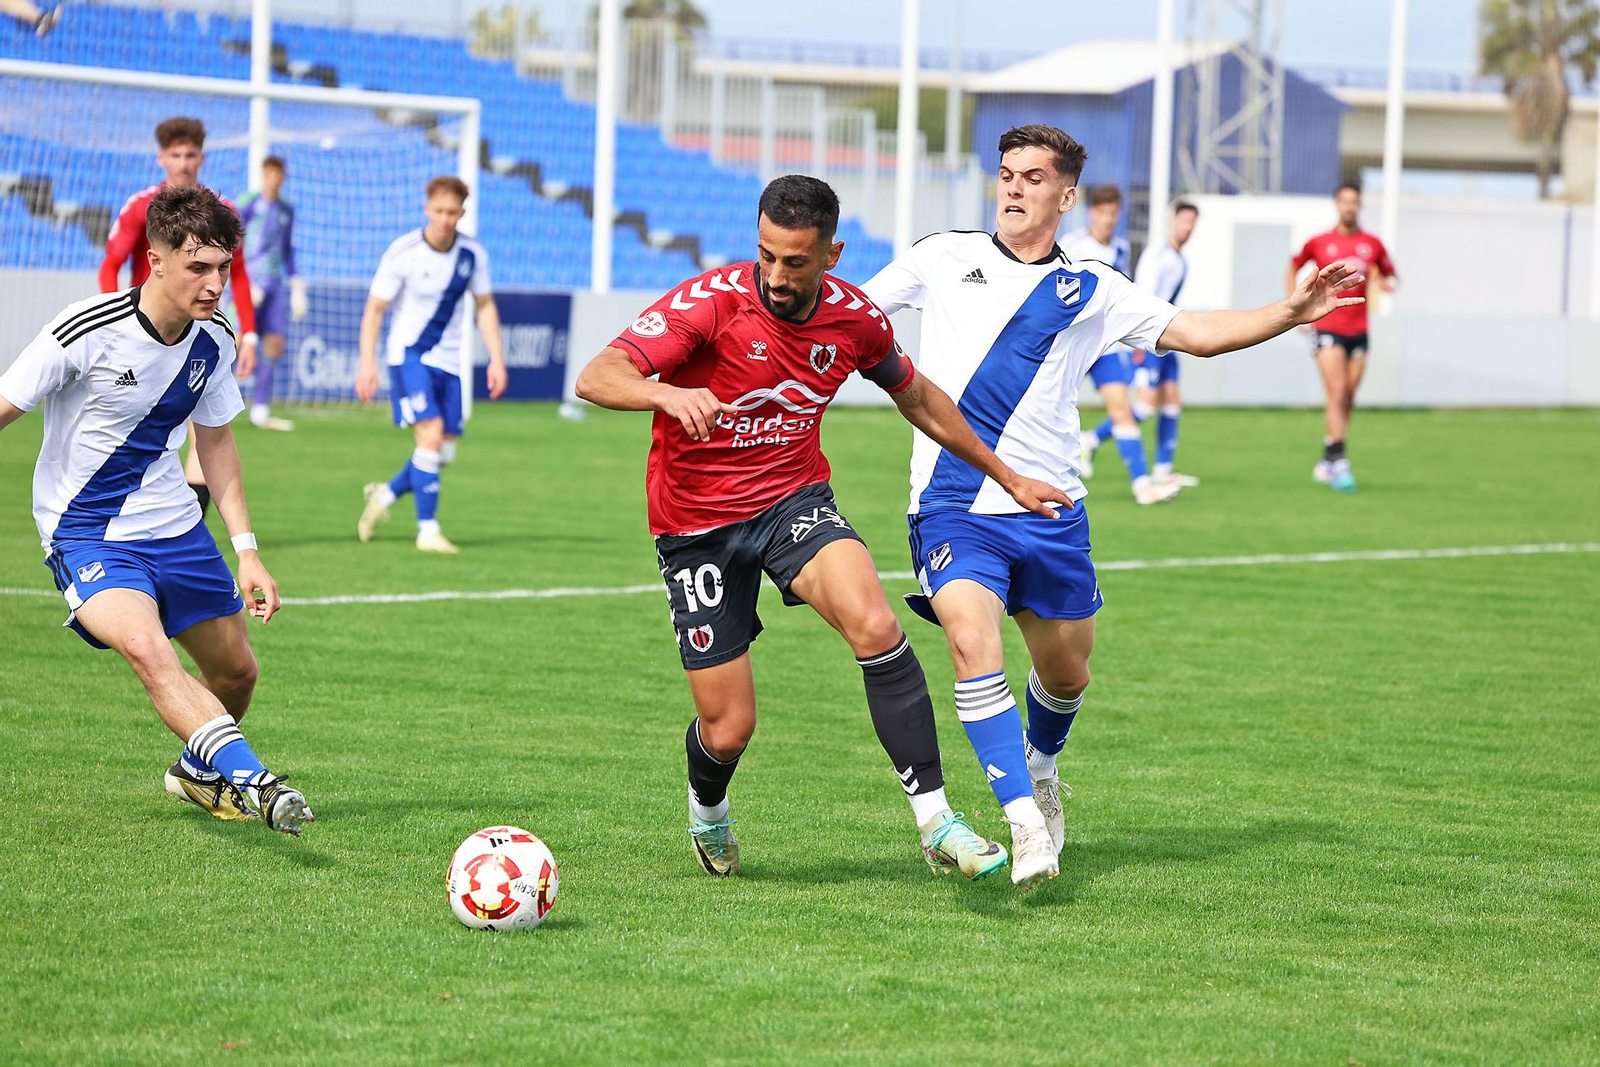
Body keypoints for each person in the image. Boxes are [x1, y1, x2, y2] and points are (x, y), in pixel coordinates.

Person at [863, 124, 1363, 889]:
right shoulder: (941, 256)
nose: (1013, 188)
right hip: (954, 504)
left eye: (1032, 178)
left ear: (1066, 196)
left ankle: (1042, 763)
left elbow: (1194, 333)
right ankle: (1024, 821)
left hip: (1054, 511)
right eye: (1005, 174)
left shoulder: (1094, 285)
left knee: (1067, 675)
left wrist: (1289, 312)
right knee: (971, 640)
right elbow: (853, 315)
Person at [575, 174, 1070, 881]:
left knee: (875, 622)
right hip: (696, 526)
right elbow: (598, 374)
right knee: (729, 726)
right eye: (767, 255)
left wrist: (1007, 474)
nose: (777, 276)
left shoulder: (855, 318)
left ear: (832, 253)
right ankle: (707, 810)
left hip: (791, 500)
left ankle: (936, 821)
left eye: (796, 261)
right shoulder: (711, 303)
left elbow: (920, 398)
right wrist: (666, 390)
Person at [0, 185, 312, 835]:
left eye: (223, 267)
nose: (214, 283)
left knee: (237, 671)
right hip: (85, 535)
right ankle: (258, 781)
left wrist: (247, 548)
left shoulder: (216, 337)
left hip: (177, 529)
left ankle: (195, 772)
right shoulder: (84, 330)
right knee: (147, 647)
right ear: (157, 260)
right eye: (199, 266)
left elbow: (217, 439)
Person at [100, 117, 259, 514]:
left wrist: (250, 333)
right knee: (137, 429)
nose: (184, 163)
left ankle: (190, 528)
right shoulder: (143, 208)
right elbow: (110, 265)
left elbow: (238, 274)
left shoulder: (222, 213)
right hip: (147, 333)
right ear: (161, 158)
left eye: (191, 155)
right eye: (176, 154)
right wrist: (116, 320)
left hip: (201, 336)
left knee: (206, 431)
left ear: (201, 158)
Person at [354, 176, 508, 554]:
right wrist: (366, 365)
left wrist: (497, 359)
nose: (444, 219)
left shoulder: (473, 255)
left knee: (443, 453)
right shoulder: (403, 252)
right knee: (432, 436)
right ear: (427, 208)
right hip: (409, 354)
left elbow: (485, 305)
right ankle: (428, 531)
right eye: (438, 211)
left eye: (452, 212)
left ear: (462, 213)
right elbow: (375, 310)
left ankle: (386, 495)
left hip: (451, 362)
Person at [1063, 186, 1178, 505]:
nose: (1108, 220)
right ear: (1090, 214)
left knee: (1123, 410)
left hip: (1104, 345)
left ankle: (1143, 487)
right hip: (1068, 343)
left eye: (1114, 214)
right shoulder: (1070, 246)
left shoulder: (1121, 249)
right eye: (1102, 213)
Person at [1288, 183, 1397, 493]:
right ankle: (1339, 461)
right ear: (1337, 204)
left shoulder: (1371, 243)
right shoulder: (1320, 242)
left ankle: (1326, 461)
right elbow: (1293, 266)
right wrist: (1293, 306)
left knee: (1348, 395)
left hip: (1359, 330)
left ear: (1359, 205)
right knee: (1336, 392)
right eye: (1344, 201)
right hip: (1327, 326)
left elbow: (1390, 273)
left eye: (1354, 202)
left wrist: (1389, 284)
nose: (1349, 207)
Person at [1123, 199, 1201, 487]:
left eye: (1193, 222)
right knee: (1144, 407)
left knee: (1172, 400)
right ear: (1172, 221)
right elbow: (1142, 297)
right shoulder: (1158, 255)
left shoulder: (1180, 258)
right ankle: (1091, 440)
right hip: (1150, 338)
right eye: (1184, 220)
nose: (1188, 227)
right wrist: (1137, 345)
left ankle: (1163, 469)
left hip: (1170, 338)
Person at [237, 155, 308, 431]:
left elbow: (288, 249)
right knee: (238, 340)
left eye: (279, 175)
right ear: (264, 175)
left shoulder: (287, 209)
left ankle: (261, 410)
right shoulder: (248, 204)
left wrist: (297, 283)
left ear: (283, 177)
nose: (274, 179)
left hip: (276, 284)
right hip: (250, 282)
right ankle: (215, 402)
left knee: (274, 344)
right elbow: (234, 240)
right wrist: (241, 278)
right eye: (270, 174)